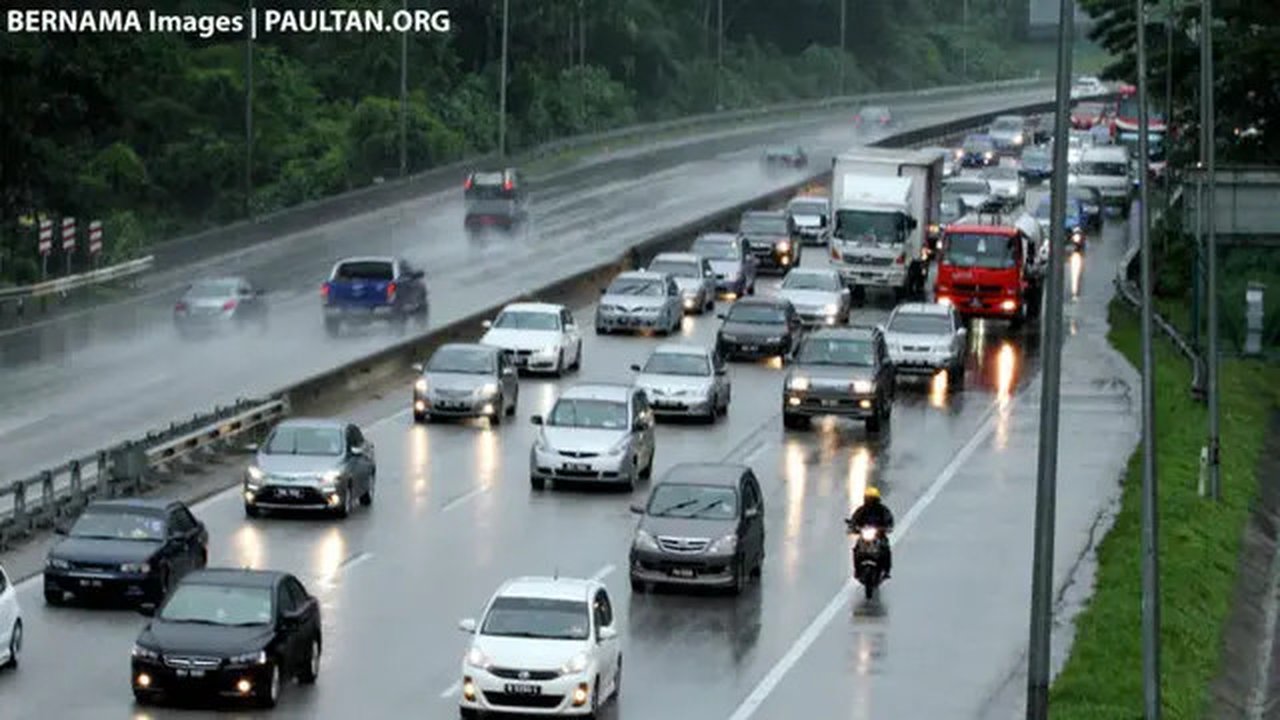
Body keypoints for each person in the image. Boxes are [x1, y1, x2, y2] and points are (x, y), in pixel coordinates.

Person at [847, 487, 895, 578]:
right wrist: (852, 527)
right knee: (856, 549)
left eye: (872, 499)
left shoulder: (882, 510)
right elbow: (854, 520)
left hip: (879, 535)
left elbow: (889, 520)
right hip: (864, 534)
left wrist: (887, 527)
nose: (870, 501)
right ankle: (857, 570)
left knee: (885, 549)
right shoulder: (861, 510)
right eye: (869, 499)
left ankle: (886, 570)